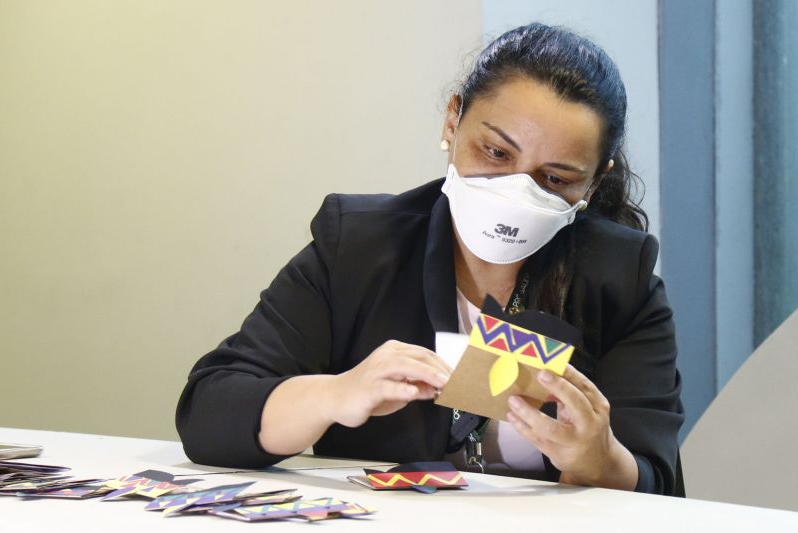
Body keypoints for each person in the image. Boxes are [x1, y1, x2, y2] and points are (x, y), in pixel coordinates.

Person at [176, 22, 684, 496]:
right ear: (452, 120)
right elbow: (209, 412)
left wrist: (598, 459)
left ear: (593, 183)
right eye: (496, 153)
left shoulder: (621, 276)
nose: (516, 191)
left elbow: (656, 478)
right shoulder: (358, 246)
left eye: (554, 179)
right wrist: (335, 395)